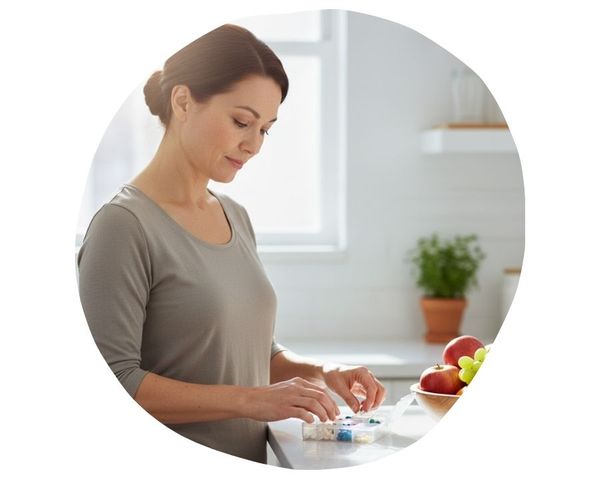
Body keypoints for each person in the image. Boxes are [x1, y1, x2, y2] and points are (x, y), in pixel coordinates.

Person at [77, 23, 386, 464]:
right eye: (242, 122)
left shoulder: (234, 216)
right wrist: (251, 400)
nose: (254, 144)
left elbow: (247, 350)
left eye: (266, 129)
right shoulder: (123, 226)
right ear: (182, 101)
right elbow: (115, 380)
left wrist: (322, 373)